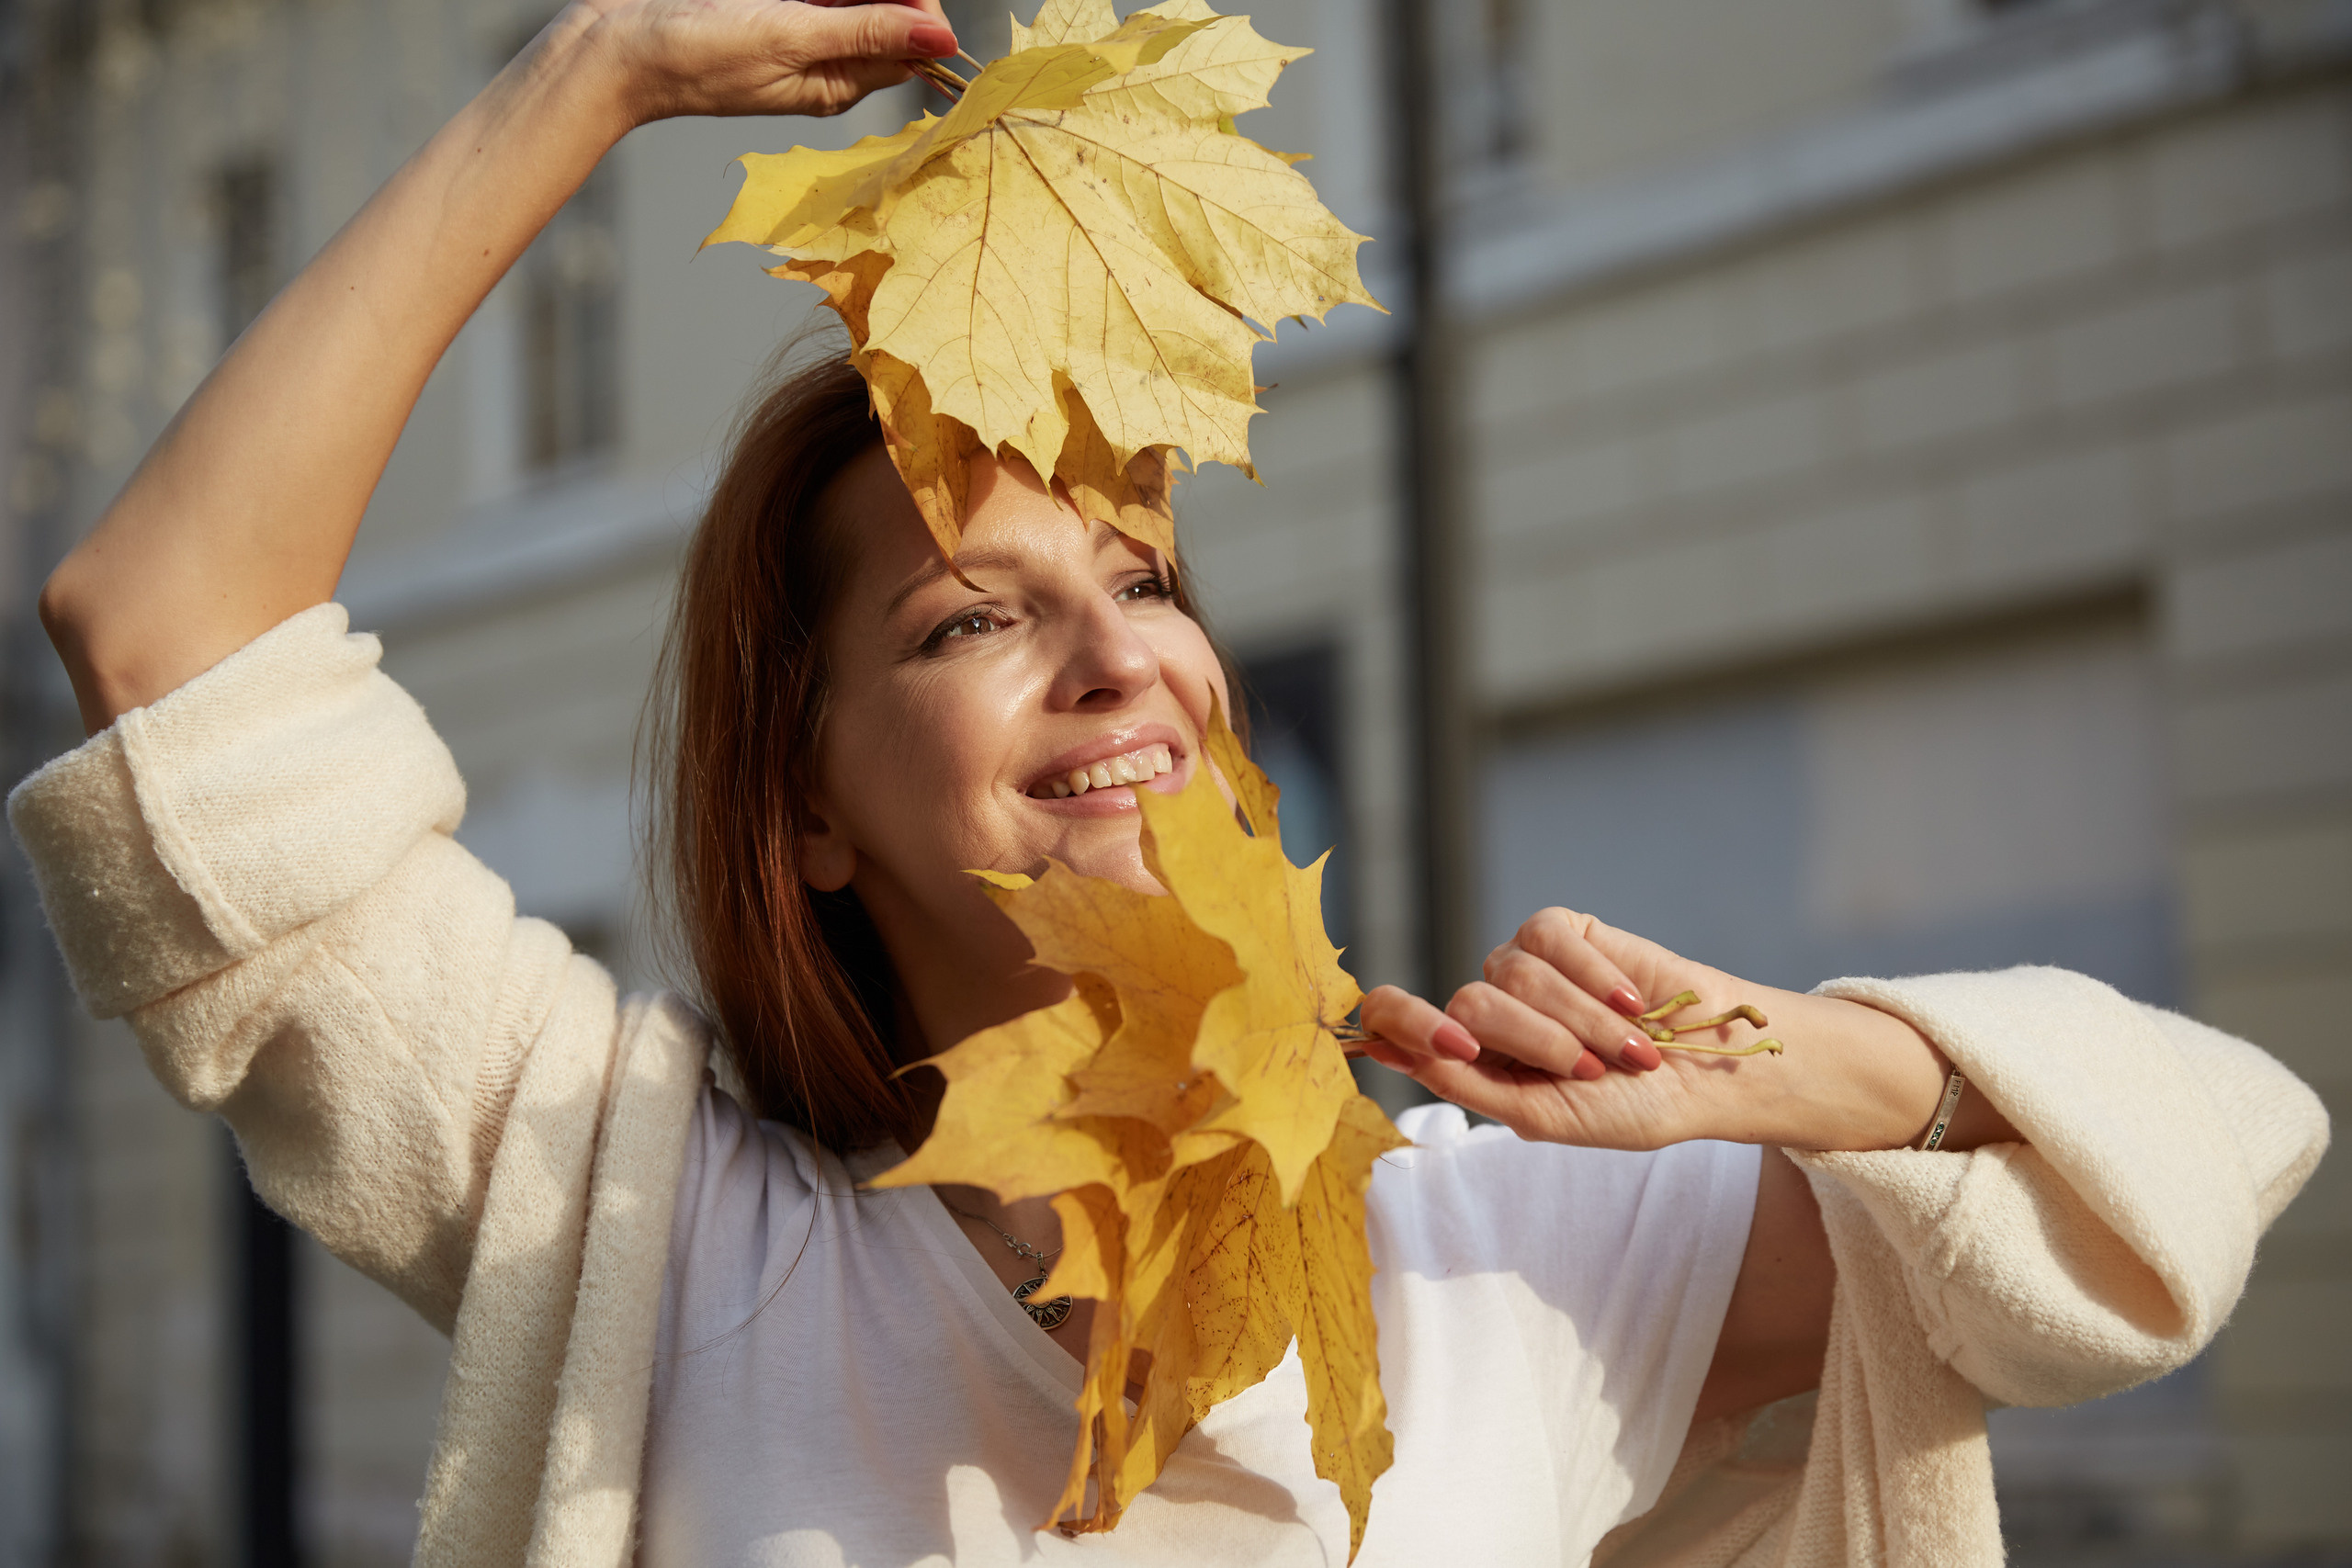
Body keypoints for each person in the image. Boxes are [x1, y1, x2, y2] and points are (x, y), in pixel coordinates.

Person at [9, 2, 2327, 1564]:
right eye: (967, 612)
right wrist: (584, 74)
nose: (1120, 653)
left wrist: (1775, 1067)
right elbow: (165, 635)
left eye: (1138, 573)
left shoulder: (1498, 1235)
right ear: (799, 800)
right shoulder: (636, 1210)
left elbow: (2180, 1172)